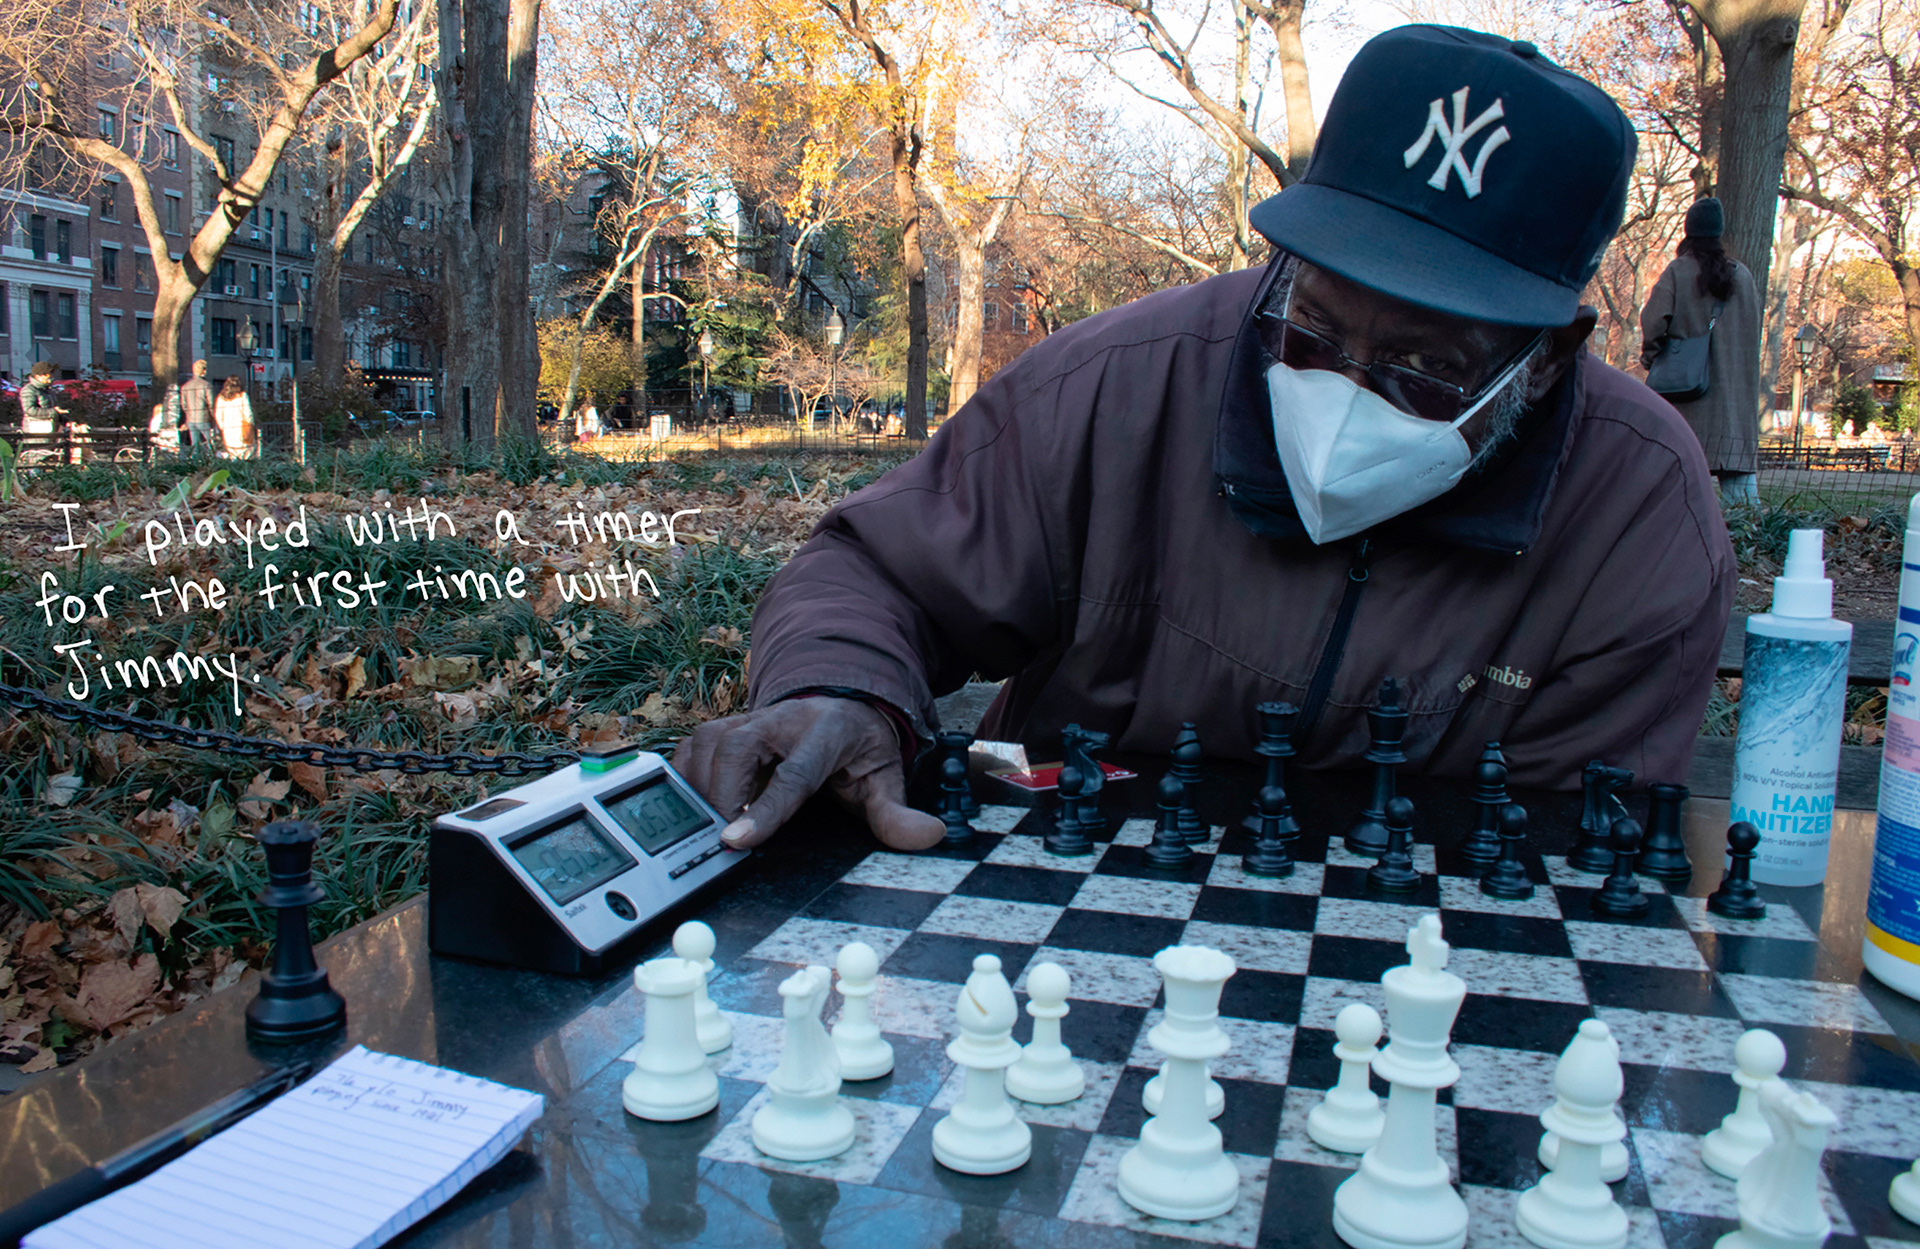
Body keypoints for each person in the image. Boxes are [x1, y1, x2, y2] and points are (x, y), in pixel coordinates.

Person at [675, 25, 1736, 854]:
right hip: (1057, 934)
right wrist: (847, 690)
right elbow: (876, 569)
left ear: (1548, 357)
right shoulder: (1125, 378)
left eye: (1427, 367)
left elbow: (1562, 858)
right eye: (1311, 327)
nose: (1344, 395)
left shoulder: (1638, 513)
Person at [1640, 198, 1763, 504]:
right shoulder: (1743, 277)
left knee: (1682, 498)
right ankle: (1747, 551)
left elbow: (1653, 321)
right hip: (1735, 408)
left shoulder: (1678, 272)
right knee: (1745, 509)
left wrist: (1652, 356)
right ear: (1718, 232)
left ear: (1688, 231)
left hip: (1687, 402)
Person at [177, 359, 216, 453]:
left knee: (194, 444)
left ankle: (195, 462)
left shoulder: (185, 386)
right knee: (208, 443)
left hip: (190, 418)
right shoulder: (206, 385)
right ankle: (211, 462)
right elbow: (211, 404)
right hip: (203, 417)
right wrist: (213, 417)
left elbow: (184, 405)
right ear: (203, 370)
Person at [214, 375, 255, 458]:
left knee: (232, 452)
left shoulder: (221, 398)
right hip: (242, 428)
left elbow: (218, 414)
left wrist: (222, 426)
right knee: (244, 452)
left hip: (227, 428)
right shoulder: (242, 396)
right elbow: (248, 413)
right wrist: (251, 423)